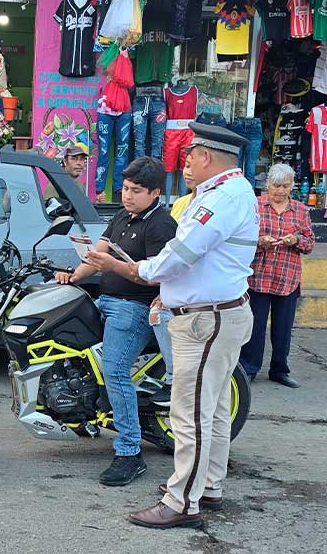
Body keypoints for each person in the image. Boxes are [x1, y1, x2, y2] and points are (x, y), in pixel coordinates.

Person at [86, 123, 259, 529]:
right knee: (213, 409)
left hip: (206, 319)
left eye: (190, 156)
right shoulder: (232, 191)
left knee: (190, 414)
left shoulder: (221, 198)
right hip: (217, 312)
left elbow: (177, 258)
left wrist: (128, 268)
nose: (185, 165)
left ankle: (181, 501)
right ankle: (207, 485)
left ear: (206, 156)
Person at [55, 156, 177, 486]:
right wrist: (73, 276)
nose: (127, 195)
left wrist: (110, 265)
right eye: (125, 188)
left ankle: (129, 452)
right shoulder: (123, 215)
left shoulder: (161, 225)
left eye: (136, 190)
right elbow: (98, 254)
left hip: (134, 307)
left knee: (115, 369)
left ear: (154, 193)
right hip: (106, 300)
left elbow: (156, 276)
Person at [238, 163, 315, 388]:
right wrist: (260, 243)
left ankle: (280, 370)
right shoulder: (255, 206)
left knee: (283, 329)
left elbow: (310, 243)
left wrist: (296, 240)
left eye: (285, 186)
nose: (280, 191)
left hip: (287, 278)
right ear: (267, 185)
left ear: (292, 187)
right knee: (255, 327)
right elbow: (241, 240)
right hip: (258, 277)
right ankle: (249, 369)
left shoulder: (300, 210)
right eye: (275, 185)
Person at [148, 156, 199, 394]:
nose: (187, 172)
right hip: (174, 275)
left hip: (195, 284)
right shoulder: (181, 203)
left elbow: (187, 254)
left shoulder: (214, 205)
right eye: (185, 166)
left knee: (159, 314)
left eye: (192, 166)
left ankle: (173, 379)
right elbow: (172, 249)